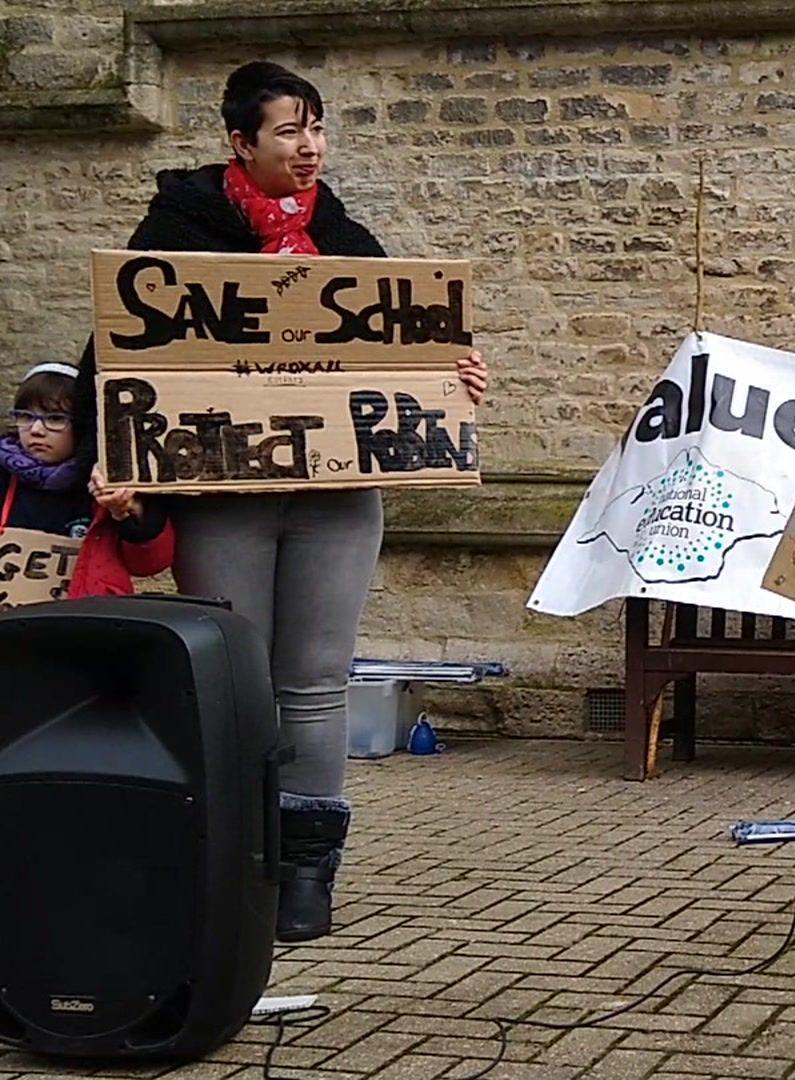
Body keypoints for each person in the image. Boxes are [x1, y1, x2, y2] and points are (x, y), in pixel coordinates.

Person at [78, 61, 489, 943]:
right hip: (225, 501)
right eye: (289, 132)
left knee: (313, 682)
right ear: (241, 143)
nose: (310, 148)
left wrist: (454, 379)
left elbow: (410, 350)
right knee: (232, 681)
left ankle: (307, 868)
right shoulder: (177, 231)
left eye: (318, 129)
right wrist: (111, 463)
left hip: (335, 501)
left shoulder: (345, 236)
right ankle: (230, 861)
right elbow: (110, 361)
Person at [0, 362, 171, 599]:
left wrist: (131, 513)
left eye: (56, 419)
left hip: (85, 625)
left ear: (83, 426)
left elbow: (149, 563)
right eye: (25, 416)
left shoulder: (110, 483)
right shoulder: (5, 477)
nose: (36, 429)